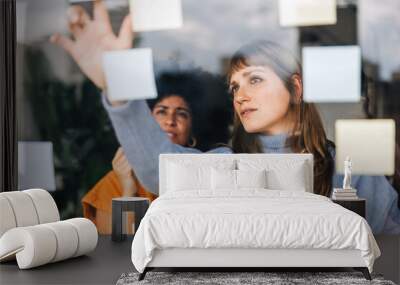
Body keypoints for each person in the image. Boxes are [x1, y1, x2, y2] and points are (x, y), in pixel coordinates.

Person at [52, 1, 400, 234]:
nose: (241, 95)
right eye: (234, 87)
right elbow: (160, 169)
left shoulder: (350, 174)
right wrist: (118, 89)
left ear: (295, 88)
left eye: (255, 79)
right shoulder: (225, 166)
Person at [82, 74, 197, 234]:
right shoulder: (113, 182)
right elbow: (115, 246)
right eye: (162, 112)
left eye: (181, 114)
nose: (170, 120)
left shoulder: (201, 176)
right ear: (144, 124)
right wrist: (128, 188)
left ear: (192, 133)